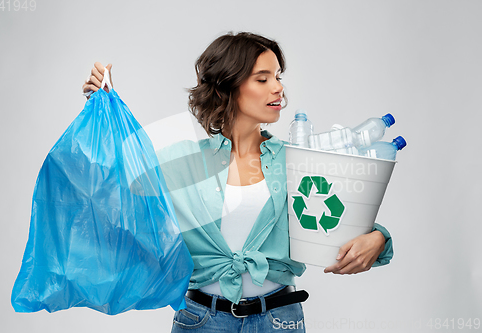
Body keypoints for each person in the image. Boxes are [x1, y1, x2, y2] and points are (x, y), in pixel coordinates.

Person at [82, 32, 393, 332]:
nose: (278, 89)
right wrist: (105, 106)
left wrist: (377, 239)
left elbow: (346, 216)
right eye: (262, 79)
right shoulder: (184, 162)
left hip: (279, 320)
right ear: (225, 89)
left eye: (278, 77)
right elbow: (115, 186)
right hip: (201, 321)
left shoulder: (297, 161)